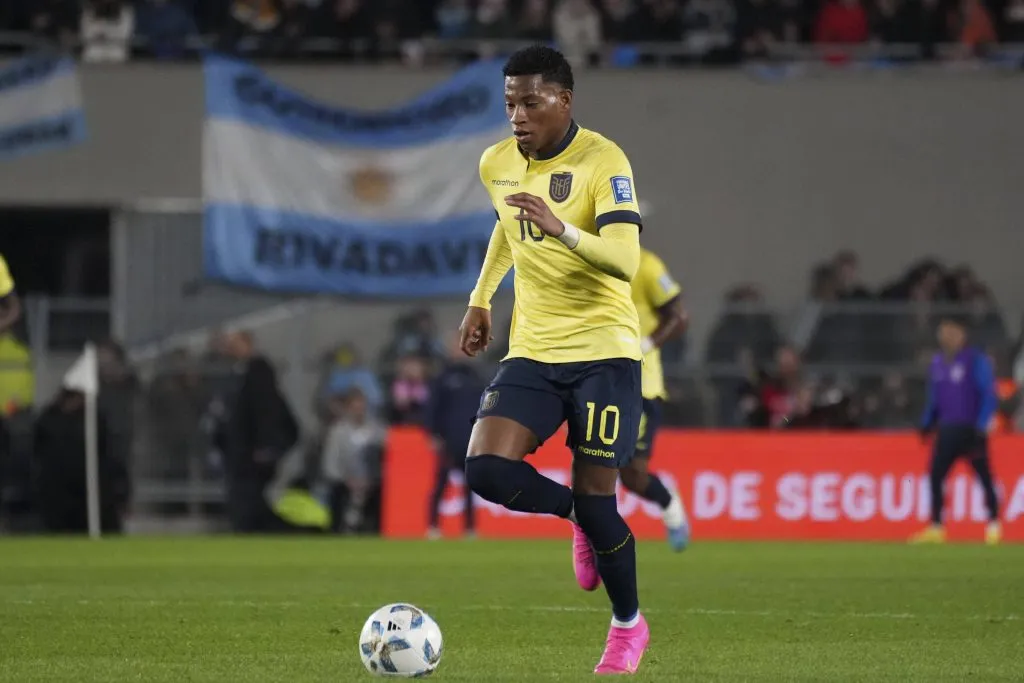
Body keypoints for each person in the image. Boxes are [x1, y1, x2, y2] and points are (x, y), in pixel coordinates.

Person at [459, 46, 648, 674]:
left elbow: (626, 261)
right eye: (510, 102)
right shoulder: (497, 163)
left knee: (604, 504)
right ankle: (573, 515)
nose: (517, 114)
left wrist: (562, 228)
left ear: (564, 101)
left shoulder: (603, 160)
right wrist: (481, 299)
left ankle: (628, 627)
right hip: (535, 350)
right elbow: (506, 228)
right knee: (485, 469)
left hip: (604, 353)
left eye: (531, 102)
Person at [910, 316, 1001, 545]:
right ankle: (936, 527)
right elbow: (935, 398)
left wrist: (981, 425)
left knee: (984, 477)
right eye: (942, 332)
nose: (945, 336)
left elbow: (989, 394)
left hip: (970, 430)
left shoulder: (976, 361)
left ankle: (993, 525)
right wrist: (927, 422)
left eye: (950, 331)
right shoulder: (938, 362)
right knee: (935, 476)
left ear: (962, 334)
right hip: (947, 430)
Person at [622, 247, 690, 550]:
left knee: (633, 477)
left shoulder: (647, 266)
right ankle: (593, 542)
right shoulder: (587, 259)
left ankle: (670, 505)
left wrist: (646, 344)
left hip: (641, 385)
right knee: (592, 468)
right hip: (597, 380)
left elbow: (679, 317)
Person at [425, 332, 487, 539]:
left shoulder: (475, 376)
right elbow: (433, 407)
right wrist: (433, 434)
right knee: (441, 483)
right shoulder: (443, 377)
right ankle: (433, 526)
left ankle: (470, 528)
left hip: (471, 439)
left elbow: (484, 408)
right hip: (448, 440)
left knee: (471, 484)